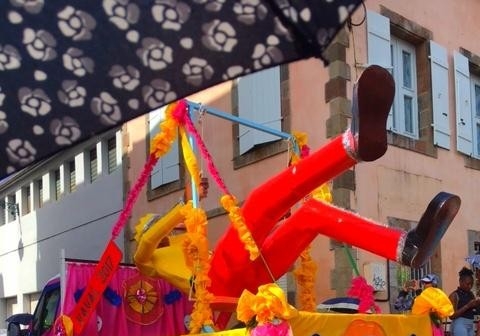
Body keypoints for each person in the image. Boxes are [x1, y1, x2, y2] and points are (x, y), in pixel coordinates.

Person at [135, 65, 461, 303]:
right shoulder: (147, 258)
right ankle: (351, 146)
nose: (176, 230)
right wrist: (182, 209)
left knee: (312, 213)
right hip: (219, 281)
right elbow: (150, 238)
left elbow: (200, 235)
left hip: (251, 276)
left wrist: (189, 210)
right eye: (163, 227)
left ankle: (406, 246)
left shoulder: (188, 245)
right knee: (260, 201)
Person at [449, 267, 480, 336]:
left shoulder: (471, 294)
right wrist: (468, 306)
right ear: (460, 282)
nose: (469, 286)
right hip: (459, 324)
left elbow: (475, 311)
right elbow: (451, 315)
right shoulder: (454, 295)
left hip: (471, 324)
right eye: (467, 284)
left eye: (471, 284)